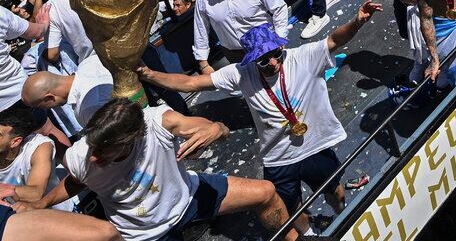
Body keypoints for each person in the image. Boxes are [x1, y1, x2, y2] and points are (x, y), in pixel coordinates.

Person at [137, 1, 382, 237]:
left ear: (281, 47)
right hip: (279, 157)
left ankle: (344, 219)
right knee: (292, 205)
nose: (273, 63)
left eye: (276, 54)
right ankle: (310, 234)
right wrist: (147, 74)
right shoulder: (242, 74)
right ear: (252, 60)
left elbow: (334, 40)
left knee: (335, 191)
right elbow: (192, 83)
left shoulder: (301, 57)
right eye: (264, 60)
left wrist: (357, 22)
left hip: (315, 145)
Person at [21, 99, 300, 241]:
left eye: (104, 151)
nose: (95, 158)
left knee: (266, 192)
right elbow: (76, 181)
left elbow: (216, 129)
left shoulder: (158, 122)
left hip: (187, 196)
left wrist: (218, 129)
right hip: (145, 233)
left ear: (131, 141)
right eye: (94, 149)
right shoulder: (79, 155)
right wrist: (43, 203)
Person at [0, 104, 76, 211]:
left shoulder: (40, 146)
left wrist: (6, 191)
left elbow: (35, 192)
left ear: (15, 142)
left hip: (58, 216)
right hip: (18, 222)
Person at [21, 53, 113, 128]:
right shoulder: (87, 62)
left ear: (49, 98)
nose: (47, 109)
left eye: (41, 106)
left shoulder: (87, 109)